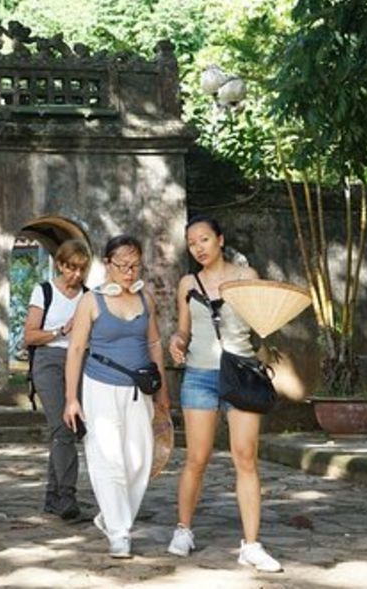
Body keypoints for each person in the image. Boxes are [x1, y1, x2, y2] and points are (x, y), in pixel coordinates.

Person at [167, 215, 282, 573]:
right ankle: (183, 530)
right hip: (199, 376)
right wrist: (177, 342)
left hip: (241, 374)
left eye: (204, 239)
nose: (198, 247)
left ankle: (251, 544)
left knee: (245, 457)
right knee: (197, 458)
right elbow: (183, 330)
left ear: (219, 239)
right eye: (192, 242)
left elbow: (263, 322)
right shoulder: (188, 282)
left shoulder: (247, 277)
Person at [63, 235, 170, 559]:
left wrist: (163, 392)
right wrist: (72, 398)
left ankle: (110, 515)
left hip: (140, 390)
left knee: (140, 460)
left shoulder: (145, 299)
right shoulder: (91, 301)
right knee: (108, 459)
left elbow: (154, 345)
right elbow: (77, 349)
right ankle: (120, 533)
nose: (129, 271)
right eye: (122, 265)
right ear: (107, 265)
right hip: (101, 386)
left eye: (135, 265)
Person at [22, 238, 92, 520]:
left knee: (70, 428)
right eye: (71, 268)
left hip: (81, 362)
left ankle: (53, 496)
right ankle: (66, 496)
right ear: (60, 265)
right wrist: (62, 330)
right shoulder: (44, 292)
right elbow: (29, 335)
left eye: (81, 269)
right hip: (48, 360)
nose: (76, 274)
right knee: (63, 427)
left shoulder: (88, 295)